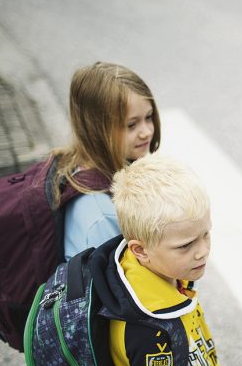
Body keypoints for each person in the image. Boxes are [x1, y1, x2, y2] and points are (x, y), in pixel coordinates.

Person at [89, 153, 230, 366]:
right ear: (140, 250)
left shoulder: (166, 273)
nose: (203, 251)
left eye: (206, 234)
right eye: (185, 245)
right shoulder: (148, 333)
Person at [53, 61, 161, 260]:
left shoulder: (79, 164)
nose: (146, 132)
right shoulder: (102, 215)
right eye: (131, 125)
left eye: (149, 117)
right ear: (97, 129)